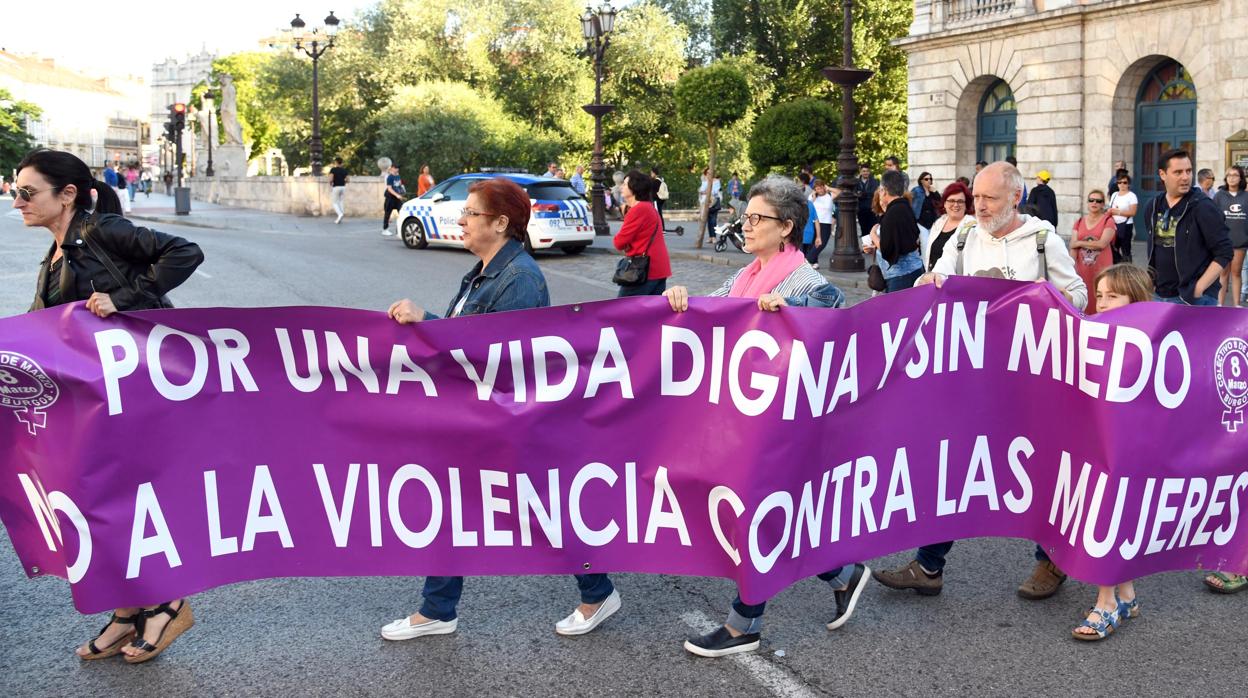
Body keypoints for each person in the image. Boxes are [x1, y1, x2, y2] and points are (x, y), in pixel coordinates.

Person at [383, 177, 621, 640]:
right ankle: (438, 609)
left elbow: (500, 359)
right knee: (458, 508)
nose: (461, 220)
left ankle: (598, 590)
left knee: (541, 511)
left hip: (509, 424)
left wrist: (426, 321)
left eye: (471, 213)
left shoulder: (520, 279)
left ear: (501, 222)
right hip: (475, 420)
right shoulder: (481, 272)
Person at [14, 148, 204, 663]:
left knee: (123, 500)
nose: (17, 201)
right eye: (14, 191)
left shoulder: (104, 230)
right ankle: (125, 610)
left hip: (136, 390)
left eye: (27, 192)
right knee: (93, 502)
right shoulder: (56, 251)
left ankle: (167, 602)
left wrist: (130, 298)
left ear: (67, 194)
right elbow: (44, 326)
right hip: (94, 401)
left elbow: (185, 252)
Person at [662, 175, 861, 658]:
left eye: (756, 219)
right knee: (764, 518)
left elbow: (838, 339)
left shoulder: (810, 283)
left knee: (751, 515)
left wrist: (792, 312)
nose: (745, 226)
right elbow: (715, 315)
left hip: (781, 427)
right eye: (745, 217)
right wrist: (683, 301)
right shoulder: (747, 275)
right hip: (739, 421)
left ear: (786, 227)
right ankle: (840, 570)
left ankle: (742, 624)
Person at [875, 162, 1087, 600]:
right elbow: (937, 275)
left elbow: (1079, 296)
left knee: (1042, 467)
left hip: (1032, 380)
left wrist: (1049, 298)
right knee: (955, 465)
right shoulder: (967, 235)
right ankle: (929, 565)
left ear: (1016, 196)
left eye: (990, 197)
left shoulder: (1045, 241)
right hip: (975, 377)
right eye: (976, 197)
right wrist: (930, 279)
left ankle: (1051, 561)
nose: (980, 206)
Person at [1071, 264, 1151, 641]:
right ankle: (1127, 594)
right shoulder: (1091, 333)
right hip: (1098, 444)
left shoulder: (1149, 341)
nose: (1101, 304)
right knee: (1109, 516)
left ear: (1136, 300)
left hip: (1126, 449)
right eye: (1099, 295)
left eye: (1112, 296)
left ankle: (1106, 603)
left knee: (1107, 518)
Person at [1144, 148, 1232, 305]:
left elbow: (1224, 252)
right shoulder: (1153, 206)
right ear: (1162, 174)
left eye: (1189, 171)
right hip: (1158, 295)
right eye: (1178, 172)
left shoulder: (1203, 207)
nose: (1185, 177)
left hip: (1194, 298)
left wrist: (1198, 289)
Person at [611, 170, 671, 296]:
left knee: (622, 311)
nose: (621, 187)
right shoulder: (647, 207)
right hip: (657, 268)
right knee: (651, 314)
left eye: (625, 184)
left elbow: (619, 242)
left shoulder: (638, 210)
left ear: (634, 188)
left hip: (644, 270)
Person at [873, 170, 924, 292]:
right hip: (916, 270)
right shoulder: (905, 207)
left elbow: (887, 250)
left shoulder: (892, 213)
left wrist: (873, 235)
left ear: (884, 190)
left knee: (898, 311)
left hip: (900, 277)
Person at [1069, 189, 1117, 314]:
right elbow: (1072, 246)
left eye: (1098, 201)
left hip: (1102, 269)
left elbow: (1102, 244)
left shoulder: (1108, 221)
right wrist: (1070, 266)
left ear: (1102, 204)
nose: (1094, 203)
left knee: (1101, 298)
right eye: (1091, 200)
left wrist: (1079, 242)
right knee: (1084, 299)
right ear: (1087, 202)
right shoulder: (1079, 222)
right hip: (1082, 270)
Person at [1213, 165, 1247, 307]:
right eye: (1229, 175)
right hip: (1223, 241)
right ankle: (1219, 305)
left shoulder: (1246, 196)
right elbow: (1213, 217)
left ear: (1241, 178)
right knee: (1223, 273)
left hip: (1241, 241)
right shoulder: (1219, 195)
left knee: (1236, 272)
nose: (1232, 178)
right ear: (1226, 178)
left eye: (1235, 175)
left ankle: (1236, 304)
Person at [922, 181, 974, 272]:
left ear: (966, 205)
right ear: (945, 204)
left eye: (960, 201)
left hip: (957, 283)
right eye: (951, 200)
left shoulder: (972, 226)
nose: (956, 205)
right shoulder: (939, 223)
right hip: (934, 280)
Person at [1107, 173, 1139, 263]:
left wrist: (1117, 212)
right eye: (1119, 182)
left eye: (1124, 182)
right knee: (1113, 248)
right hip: (1114, 225)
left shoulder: (1131, 196)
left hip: (1126, 225)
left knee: (1126, 250)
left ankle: (1127, 270)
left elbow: (1133, 212)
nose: (1122, 184)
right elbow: (1110, 208)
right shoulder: (1114, 195)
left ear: (1128, 184)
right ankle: (1117, 266)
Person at [810, 178, 836, 268]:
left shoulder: (829, 195)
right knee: (813, 243)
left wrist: (829, 188)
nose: (819, 190)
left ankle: (807, 259)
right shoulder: (812, 197)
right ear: (815, 189)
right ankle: (814, 262)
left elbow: (839, 192)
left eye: (821, 188)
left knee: (822, 243)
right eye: (817, 189)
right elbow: (807, 207)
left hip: (826, 223)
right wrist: (813, 198)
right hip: (814, 222)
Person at [856, 164, 880, 239]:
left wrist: (863, 194)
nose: (865, 173)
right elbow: (854, 193)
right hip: (861, 209)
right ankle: (866, 248)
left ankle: (874, 247)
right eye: (863, 171)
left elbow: (875, 193)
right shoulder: (856, 182)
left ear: (869, 172)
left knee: (872, 228)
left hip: (872, 208)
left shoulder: (875, 181)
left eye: (867, 171)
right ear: (860, 172)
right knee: (864, 229)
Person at [382, 164, 405, 237]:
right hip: (390, 198)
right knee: (387, 214)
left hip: (397, 199)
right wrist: (397, 195)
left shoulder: (398, 176)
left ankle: (399, 230)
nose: (397, 169)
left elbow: (399, 184)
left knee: (402, 213)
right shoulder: (390, 177)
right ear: (392, 168)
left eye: (398, 168)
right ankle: (385, 229)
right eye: (395, 168)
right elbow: (389, 188)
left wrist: (402, 190)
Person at [700, 168, 722, 240]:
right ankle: (710, 237)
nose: (708, 174)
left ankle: (714, 237)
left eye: (710, 173)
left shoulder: (716, 181)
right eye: (707, 173)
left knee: (713, 220)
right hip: (706, 202)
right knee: (708, 220)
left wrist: (708, 191)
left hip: (714, 202)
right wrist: (707, 184)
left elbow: (715, 191)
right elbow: (701, 190)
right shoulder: (705, 181)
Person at [328, 157, 349, 224]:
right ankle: (341, 215)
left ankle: (340, 214)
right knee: (341, 201)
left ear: (336, 162)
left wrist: (330, 183)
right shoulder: (344, 170)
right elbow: (348, 180)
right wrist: (344, 182)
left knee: (334, 202)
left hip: (336, 187)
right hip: (343, 187)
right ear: (342, 163)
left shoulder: (333, 170)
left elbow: (331, 178)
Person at [650, 166, 670, 230]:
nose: (651, 174)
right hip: (661, 199)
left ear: (654, 173)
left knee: (658, 214)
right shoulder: (660, 180)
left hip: (657, 200)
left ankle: (661, 228)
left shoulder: (655, 182)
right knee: (658, 213)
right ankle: (660, 228)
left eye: (651, 173)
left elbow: (652, 191)